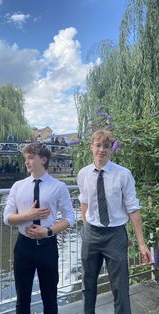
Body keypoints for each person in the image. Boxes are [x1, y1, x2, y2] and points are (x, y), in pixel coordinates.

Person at [77, 129, 151, 314]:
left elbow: (133, 208)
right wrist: (86, 228)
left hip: (115, 235)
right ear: (91, 147)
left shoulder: (123, 174)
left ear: (111, 150)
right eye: (98, 145)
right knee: (88, 284)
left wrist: (141, 244)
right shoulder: (83, 174)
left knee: (120, 286)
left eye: (106, 146)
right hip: (91, 233)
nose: (102, 149)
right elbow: (84, 203)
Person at [3, 143, 75, 314]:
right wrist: (27, 216)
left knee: (50, 297)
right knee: (22, 299)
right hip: (23, 246)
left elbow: (70, 218)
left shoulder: (58, 187)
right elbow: (7, 218)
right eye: (25, 158)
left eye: (30, 157)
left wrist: (48, 231)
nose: (26, 161)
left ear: (43, 159)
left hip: (47, 246)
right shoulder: (18, 186)